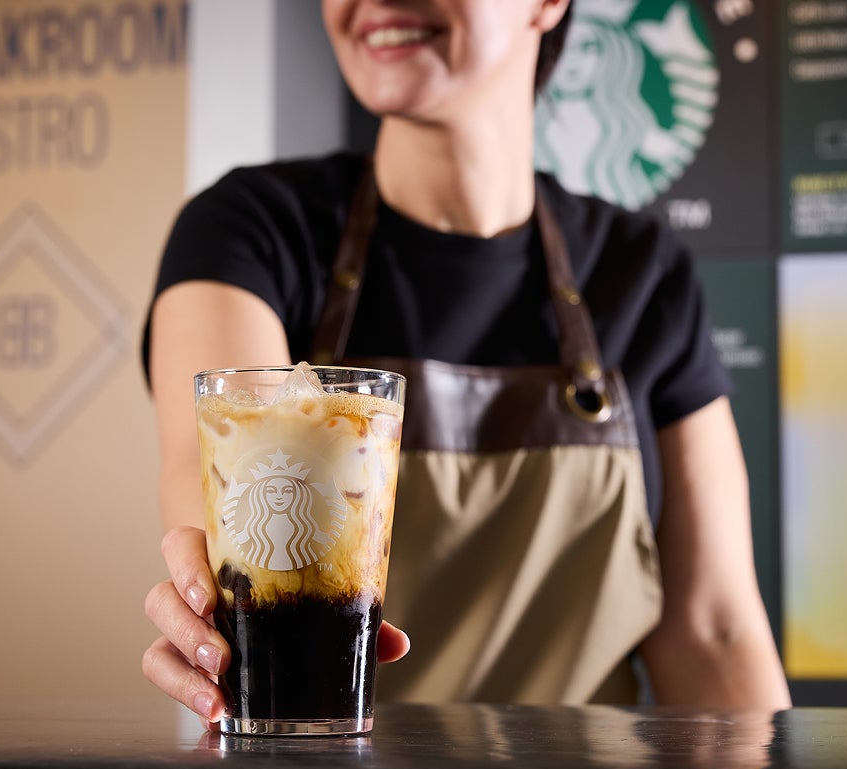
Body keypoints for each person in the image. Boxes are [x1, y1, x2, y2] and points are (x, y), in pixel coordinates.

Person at [141, 0, 792, 726]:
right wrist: (210, 616)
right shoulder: (249, 231)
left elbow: (713, 634)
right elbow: (243, 552)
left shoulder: (644, 273)